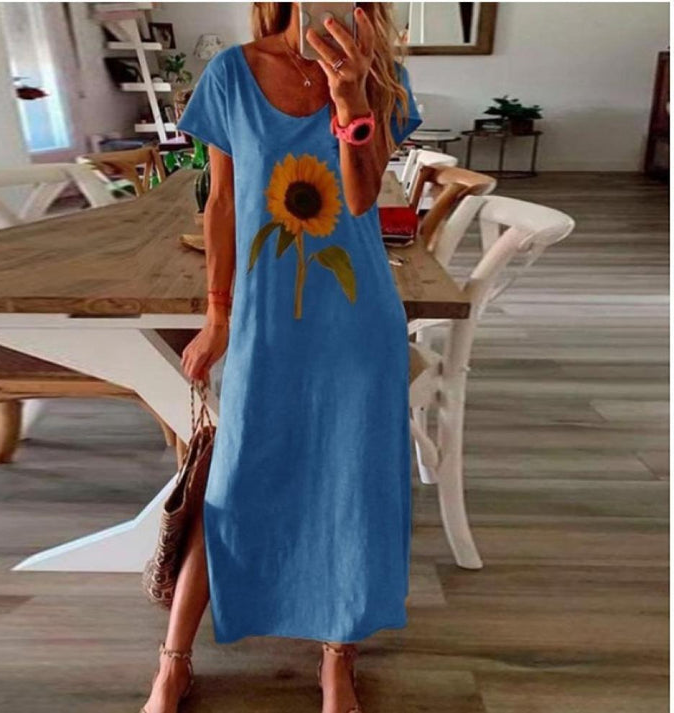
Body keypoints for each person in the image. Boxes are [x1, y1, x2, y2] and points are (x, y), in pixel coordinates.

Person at [140, 3, 421, 712]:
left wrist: (351, 94)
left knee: (350, 486)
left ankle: (337, 660)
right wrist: (217, 316)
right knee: (231, 483)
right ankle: (173, 661)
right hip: (264, 321)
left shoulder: (381, 75)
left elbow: (361, 197)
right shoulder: (232, 74)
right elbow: (222, 203)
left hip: (357, 324)